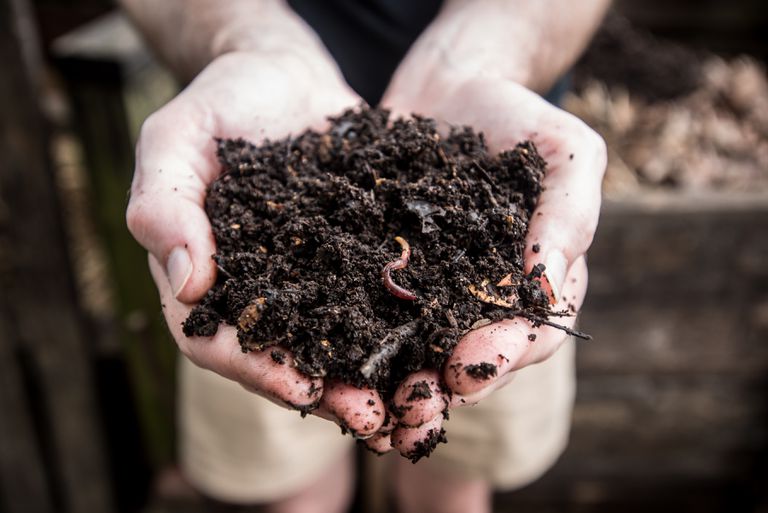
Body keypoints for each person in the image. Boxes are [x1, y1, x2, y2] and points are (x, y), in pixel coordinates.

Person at [121, 1, 609, 512]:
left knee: (458, 477)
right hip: (247, 141)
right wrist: (244, 37)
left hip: (499, 143)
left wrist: (489, 49)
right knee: (289, 483)